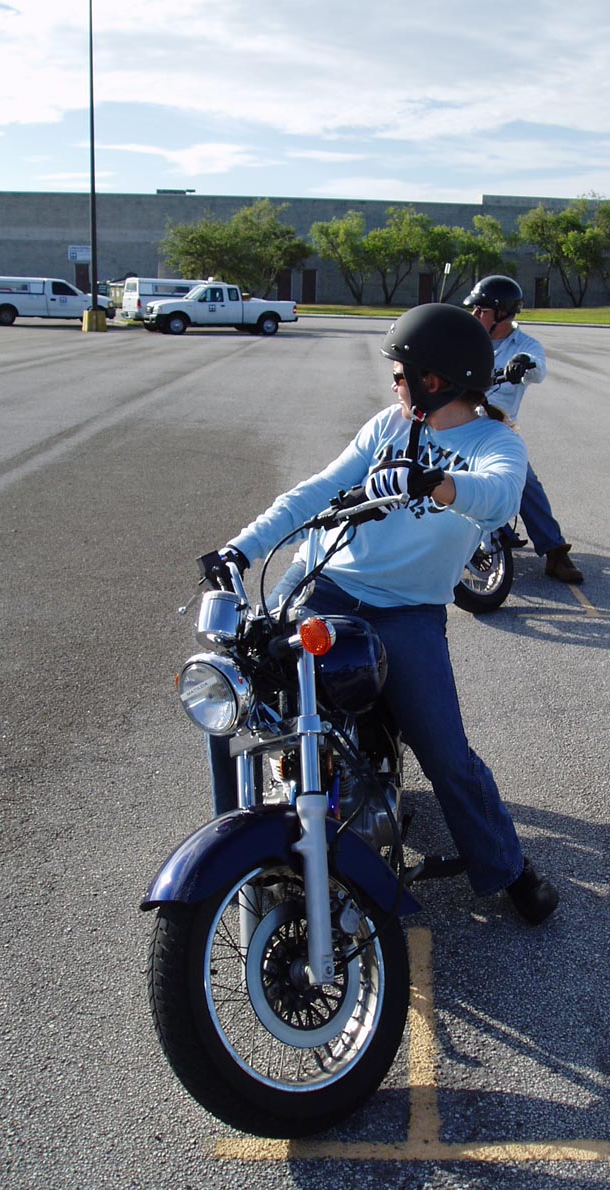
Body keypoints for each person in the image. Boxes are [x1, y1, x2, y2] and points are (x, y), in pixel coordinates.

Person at [204, 303, 559, 925]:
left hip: (407, 613)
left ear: (433, 380)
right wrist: (242, 547)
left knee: (446, 755)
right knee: (256, 699)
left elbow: (500, 499)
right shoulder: (386, 426)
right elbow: (316, 491)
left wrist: (436, 483)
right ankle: (255, 837)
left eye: (401, 374)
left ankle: (508, 867)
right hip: (326, 590)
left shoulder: (494, 442)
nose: (394, 383)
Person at [464, 275, 584, 584]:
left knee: (525, 481)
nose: (474, 315)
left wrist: (523, 363)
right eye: (474, 309)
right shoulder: (464, 337)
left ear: (502, 313)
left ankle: (555, 552)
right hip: (455, 422)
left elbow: (538, 369)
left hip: (495, 430)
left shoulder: (526, 346)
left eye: (481, 310)